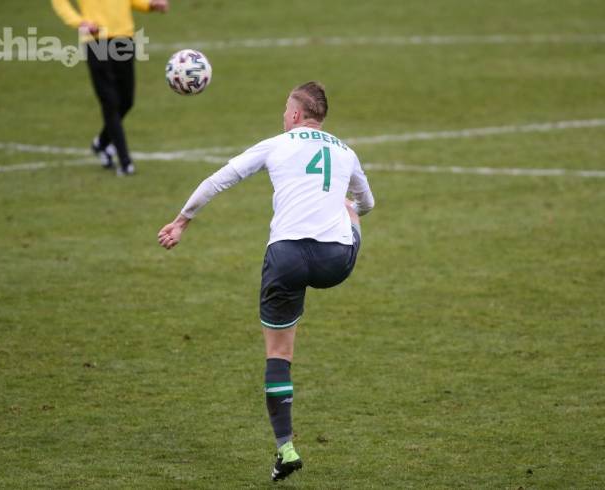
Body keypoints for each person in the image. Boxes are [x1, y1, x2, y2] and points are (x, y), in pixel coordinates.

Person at [157, 82, 375, 481]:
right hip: (334, 262)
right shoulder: (346, 151)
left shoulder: (276, 144)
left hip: (286, 258)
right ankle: (285, 451)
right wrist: (348, 206)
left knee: (278, 355)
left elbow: (220, 179)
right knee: (351, 212)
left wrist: (182, 221)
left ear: (295, 114)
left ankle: (286, 448)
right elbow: (369, 203)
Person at [51, 0, 169, 176]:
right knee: (110, 101)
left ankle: (101, 143)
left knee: (127, 101)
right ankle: (125, 163)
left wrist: (149, 4)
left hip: (124, 38)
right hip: (96, 39)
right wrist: (79, 22)